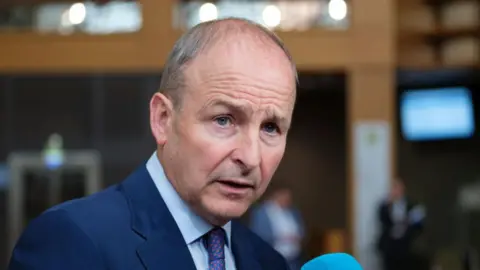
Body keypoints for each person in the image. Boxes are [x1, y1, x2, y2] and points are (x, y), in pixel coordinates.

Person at [8, 18, 297, 270]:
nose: (250, 157)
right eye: (223, 120)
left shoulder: (269, 262)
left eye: (270, 128)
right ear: (163, 119)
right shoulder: (72, 240)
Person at [250, 187, 305, 270]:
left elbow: (302, 231)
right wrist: (282, 237)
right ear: (277, 195)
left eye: (289, 197)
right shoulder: (262, 212)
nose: (288, 200)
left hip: (293, 259)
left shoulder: (293, 211)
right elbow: (258, 235)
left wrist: (298, 236)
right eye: (285, 197)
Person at [377, 179, 426, 270]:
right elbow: (382, 219)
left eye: (398, 189)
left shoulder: (411, 205)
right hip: (390, 246)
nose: (396, 191)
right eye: (394, 189)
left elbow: (419, 224)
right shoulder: (385, 205)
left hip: (405, 245)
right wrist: (389, 204)